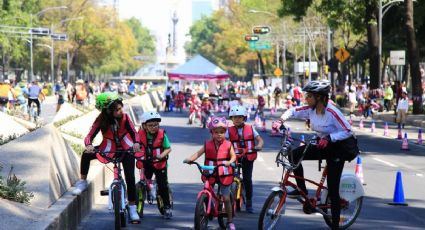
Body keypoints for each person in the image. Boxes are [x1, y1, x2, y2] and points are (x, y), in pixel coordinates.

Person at [278, 80, 359, 230]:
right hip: (323, 144)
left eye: (309, 96)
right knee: (294, 155)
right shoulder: (310, 109)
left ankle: (335, 225)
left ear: (320, 97)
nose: (306, 98)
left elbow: (348, 131)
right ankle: (301, 190)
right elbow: (294, 111)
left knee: (333, 189)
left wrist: (330, 138)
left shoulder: (332, 112)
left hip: (338, 148)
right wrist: (281, 120)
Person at [72, 92, 141, 222]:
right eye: (117, 110)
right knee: (86, 155)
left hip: (127, 150)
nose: (121, 111)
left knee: (130, 178)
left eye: (121, 108)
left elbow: (134, 133)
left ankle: (132, 208)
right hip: (108, 149)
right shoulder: (101, 120)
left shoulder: (126, 118)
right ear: (108, 111)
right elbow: (89, 136)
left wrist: (136, 143)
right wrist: (89, 145)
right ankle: (82, 182)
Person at [184, 116, 237, 230]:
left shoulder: (228, 144)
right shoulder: (207, 144)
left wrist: (229, 162)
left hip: (224, 173)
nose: (219, 134)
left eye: (222, 132)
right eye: (216, 132)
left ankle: (230, 221)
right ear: (211, 132)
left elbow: (233, 156)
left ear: (225, 133)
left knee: (226, 198)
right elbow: (198, 153)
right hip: (210, 172)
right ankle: (205, 210)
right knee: (207, 190)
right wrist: (190, 159)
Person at [227, 106, 264, 213]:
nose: (237, 119)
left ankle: (248, 201)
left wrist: (259, 145)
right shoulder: (228, 130)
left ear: (244, 118)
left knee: (247, 179)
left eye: (240, 117)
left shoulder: (251, 128)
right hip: (234, 157)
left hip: (248, 157)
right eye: (234, 117)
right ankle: (230, 199)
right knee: (230, 178)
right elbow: (223, 141)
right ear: (231, 119)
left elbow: (260, 140)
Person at [137, 111, 173, 219]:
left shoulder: (162, 134)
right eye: (150, 125)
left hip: (159, 163)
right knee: (144, 181)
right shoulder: (140, 135)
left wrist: (161, 155)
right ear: (144, 126)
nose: (153, 127)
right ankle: (139, 203)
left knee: (162, 186)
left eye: (156, 125)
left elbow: (168, 148)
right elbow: (135, 146)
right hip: (146, 162)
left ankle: (167, 207)